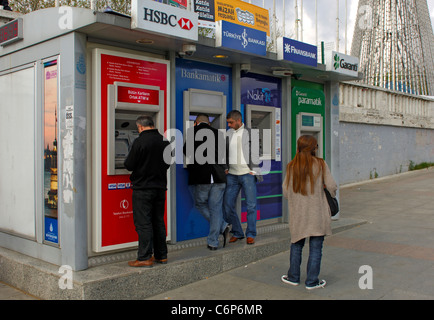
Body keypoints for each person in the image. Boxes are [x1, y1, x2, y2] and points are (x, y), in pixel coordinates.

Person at [281, 135, 337, 290]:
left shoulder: (291, 166)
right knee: (316, 247)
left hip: (298, 213)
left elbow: (285, 191)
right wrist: (329, 193)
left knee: (296, 244)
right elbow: (332, 186)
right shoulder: (320, 164)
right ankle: (312, 281)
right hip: (317, 212)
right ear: (314, 148)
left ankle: (293, 277)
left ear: (298, 147)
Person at [124, 116, 170, 268]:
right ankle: (161, 255)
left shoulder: (139, 142)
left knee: (143, 223)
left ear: (140, 127)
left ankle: (144, 257)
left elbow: (129, 164)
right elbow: (167, 164)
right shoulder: (165, 141)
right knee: (158, 221)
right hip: (160, 188)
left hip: (143, 188)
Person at [184, 114, 230, 250]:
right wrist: (225, 167)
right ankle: (213, 242)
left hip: (202, 177)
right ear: (209, 124)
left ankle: (222, 226)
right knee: (216, 209)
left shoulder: (193, 132)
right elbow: (224, 154)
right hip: (219, 177)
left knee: (200, 203)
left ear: (196, 123)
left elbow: (185, 151)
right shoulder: (219, 134)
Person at [224, 110, 262, 245]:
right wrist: (226, 167)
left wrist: (255, 169)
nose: (229, 125)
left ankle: (250, 233)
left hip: (247, 174)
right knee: (227, 205)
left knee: (251, 205)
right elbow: (225, 152)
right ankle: (238, 232)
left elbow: (258, 151)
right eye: (228, 122)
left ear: (239, 121)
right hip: (232, 175)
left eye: (231, 122)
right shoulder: (228, 134)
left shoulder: (251, 133)